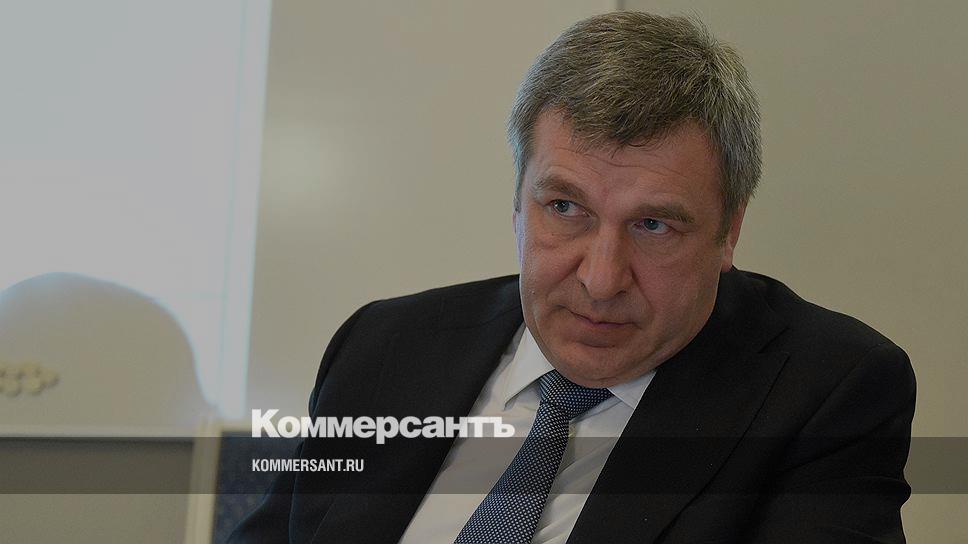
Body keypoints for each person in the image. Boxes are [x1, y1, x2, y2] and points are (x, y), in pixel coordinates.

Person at [230, 11, 915, 544]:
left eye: (654, 225)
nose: (601, 279)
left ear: (729, 231)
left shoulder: (826, 392)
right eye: (565, 208)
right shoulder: (386, 344)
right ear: (517, 202)